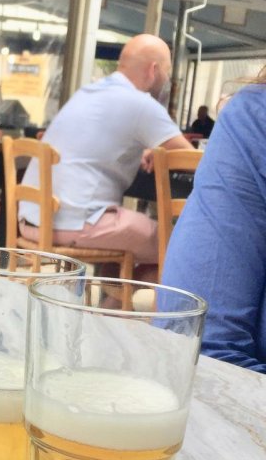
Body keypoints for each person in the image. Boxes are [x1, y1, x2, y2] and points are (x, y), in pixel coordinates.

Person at [18, 33, 193, 279]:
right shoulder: (140, 104)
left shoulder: (88, 92)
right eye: (167, 72)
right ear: (153, 70)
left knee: (128, 231)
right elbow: (191, 159)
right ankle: (121, 298)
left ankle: (114, 297)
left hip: (32, 218)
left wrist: (148, 150)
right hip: (75, 222)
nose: (166, 79)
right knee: (180, 245)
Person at [162, 68, 266, 373]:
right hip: (89, 221)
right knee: (152, 234)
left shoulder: (248, 118)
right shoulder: (252, 117)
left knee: (155, 236)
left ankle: (116, 302)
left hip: (61, 219)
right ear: (155, 69)